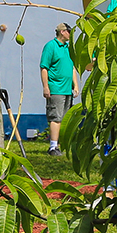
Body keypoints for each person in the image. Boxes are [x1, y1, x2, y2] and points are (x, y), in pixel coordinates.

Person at [40, 24, 77, 154]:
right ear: (62, 32)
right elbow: (44, 67)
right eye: (69, 31)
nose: (70, 34)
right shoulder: (51, 46)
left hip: (67, 90)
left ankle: (61, 144)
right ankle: (53, 146)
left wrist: (75, 85)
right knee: (56, 117)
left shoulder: (68, 48)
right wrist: (46, 87)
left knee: (65, 118)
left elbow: (72, 68)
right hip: (56, 88)